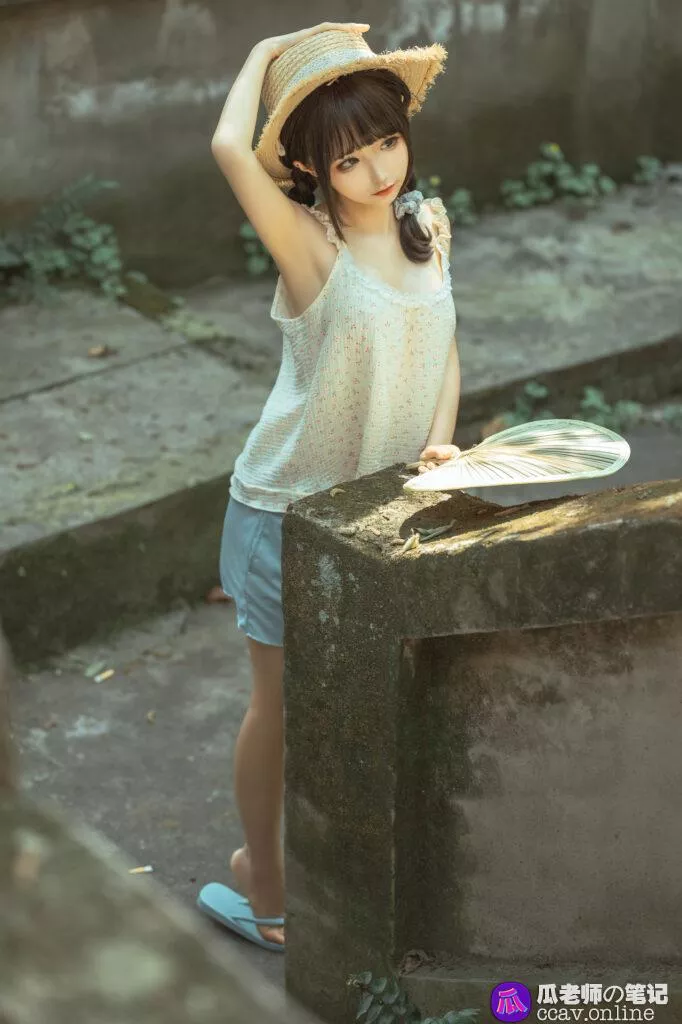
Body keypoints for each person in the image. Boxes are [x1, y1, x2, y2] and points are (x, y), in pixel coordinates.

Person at [197, 22, 462, 952]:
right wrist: (265, 51)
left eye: (388, 141)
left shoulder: (425, 226)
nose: (379, 170)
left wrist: (439, 441)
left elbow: (445, 345)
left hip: (377, 512)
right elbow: (229, 147)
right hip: (284, 512)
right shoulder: (311, 246)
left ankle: (320, 871)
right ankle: (265, 888)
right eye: (349, 159)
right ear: (311, 167)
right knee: (280, 710)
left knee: (363, 696)